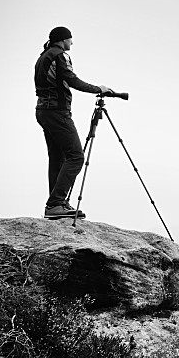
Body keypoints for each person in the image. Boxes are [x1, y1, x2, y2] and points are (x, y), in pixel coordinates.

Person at [34, 26, 114, 219]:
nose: (72, 43)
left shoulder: (43, 56)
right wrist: (99, 88)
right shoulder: (60, 55)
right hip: (57, 112)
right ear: (62, 40)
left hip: (43, 111)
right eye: (70, 39)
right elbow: (72, 80)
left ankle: (56, 204)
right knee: (76, 157)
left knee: (57, 158)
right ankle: (55, 204)